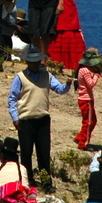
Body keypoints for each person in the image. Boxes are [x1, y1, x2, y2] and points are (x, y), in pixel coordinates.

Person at [8, 45, 69, 179]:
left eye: (37, 61)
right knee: (26, 152)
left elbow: (59, 89)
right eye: (32, 61)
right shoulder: (20, 77)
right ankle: (28, 179)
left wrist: (68, 85)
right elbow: (12, 98)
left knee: (44, 152)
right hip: (26, 119)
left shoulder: (47, 76)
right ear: (27, 62)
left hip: (43, 119)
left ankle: (46, 181)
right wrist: (15, 117)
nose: (35, 64)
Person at [73, 48, 100, 149]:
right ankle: (83, 143)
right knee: (88, 122)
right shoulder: (85, 71)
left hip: (85, 98)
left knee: (92, 120)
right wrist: (96, 76)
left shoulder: (82, 69)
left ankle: (80, 137)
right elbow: (91, 84)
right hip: (86, 99)